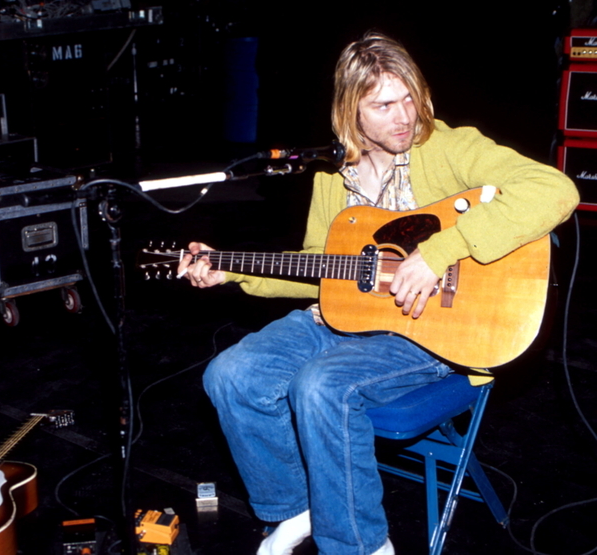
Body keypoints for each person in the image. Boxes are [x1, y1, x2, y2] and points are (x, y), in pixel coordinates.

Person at [176, 31, 580, 555]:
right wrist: (229, 270)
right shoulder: (332, 175)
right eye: (384, 105)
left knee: (321, 386)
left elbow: (557, 190)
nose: (404, 116)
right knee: (230, 375)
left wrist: (439, 253)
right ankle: (296, 510)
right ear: (352, 113)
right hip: (345, 319)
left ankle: (360, 545)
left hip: (434, 332)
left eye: (409, 96)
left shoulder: (450, 147)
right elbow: (320, 268)